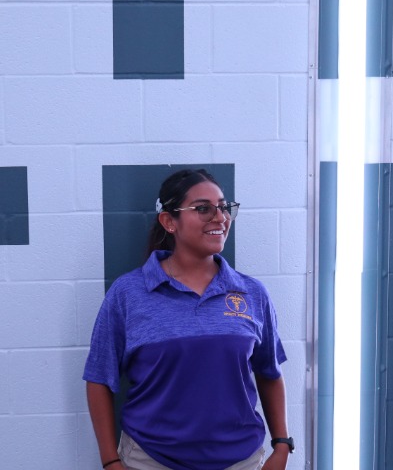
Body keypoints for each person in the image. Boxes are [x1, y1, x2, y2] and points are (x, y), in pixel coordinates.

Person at [84, 169, 292, 470]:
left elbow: (269, 372)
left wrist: (282, 444)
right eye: (203, 208)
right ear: (169, 221)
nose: (220, 218)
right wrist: (110, 461)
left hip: (240, 461)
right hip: (150, 460)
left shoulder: (251, 293)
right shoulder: (128, 293)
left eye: (224, 207)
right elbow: (99, 377)